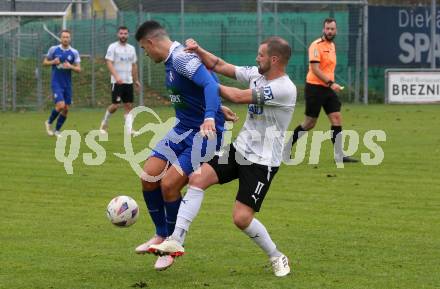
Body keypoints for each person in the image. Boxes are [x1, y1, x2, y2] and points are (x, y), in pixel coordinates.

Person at [149, 36, 296, 277]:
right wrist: (198, 51)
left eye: (260, 55)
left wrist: (202, 84)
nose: (256, 58)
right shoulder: (257, 74)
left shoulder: (283, 89)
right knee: (197, 179)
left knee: (241, 218)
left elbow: (237, 96)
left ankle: (276, 256)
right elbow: (220, 65)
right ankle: (176, 239)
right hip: (239, 150)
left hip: (262, 162)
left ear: (274, 59)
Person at [133, 20, 237, 271]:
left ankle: (172, 244)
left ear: (150, 42)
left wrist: (211, 115)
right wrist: (212, 107)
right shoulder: (172, 61)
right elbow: (197, 89)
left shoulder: (180, 58)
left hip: (206, 132)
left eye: (144, 50)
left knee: (169, 184)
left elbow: (210, 84)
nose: (145, 55)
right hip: (183, 127)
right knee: (149, 176)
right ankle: (160, 234)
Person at [288, 17, 357, 163]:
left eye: (332, 29)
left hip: (327, 88)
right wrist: (331, 83)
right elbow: (315, 69)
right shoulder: (316, 45)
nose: (330, 31)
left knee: (336, 117)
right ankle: (285, 148)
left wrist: (330, 84)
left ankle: (339, 156)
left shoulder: (332, 46)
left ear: (336, 30)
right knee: (309, 123)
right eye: (327, 28)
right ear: (323, 29)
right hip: (314, 88)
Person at [99, 26, 141, 135]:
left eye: (125, 34)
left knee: (128, 106)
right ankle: (104, 124)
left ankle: (129, 130)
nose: (123, 35)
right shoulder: (113, 47)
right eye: (121, 33)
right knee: (115, 105)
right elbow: (108, 62)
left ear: (128, 35)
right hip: (117, 82)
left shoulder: (131, 48)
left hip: (128, 81)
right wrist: (116, 76)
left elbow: (134, 65)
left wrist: (136, 80)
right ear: (118, 35)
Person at [43, 29, 81, 137]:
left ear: (70, 38)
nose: (65, 39)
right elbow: (44, 62)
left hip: (67, 84)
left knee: (66, 109)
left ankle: (57, 130)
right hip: (56, 82)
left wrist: (71, 66)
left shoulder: (74, 52)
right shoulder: (53, 50)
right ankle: (49, 122)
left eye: (67, 37)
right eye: (63, 37)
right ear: (61, 38)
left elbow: (79, 69)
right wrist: (52, 62)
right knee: (60, 105)